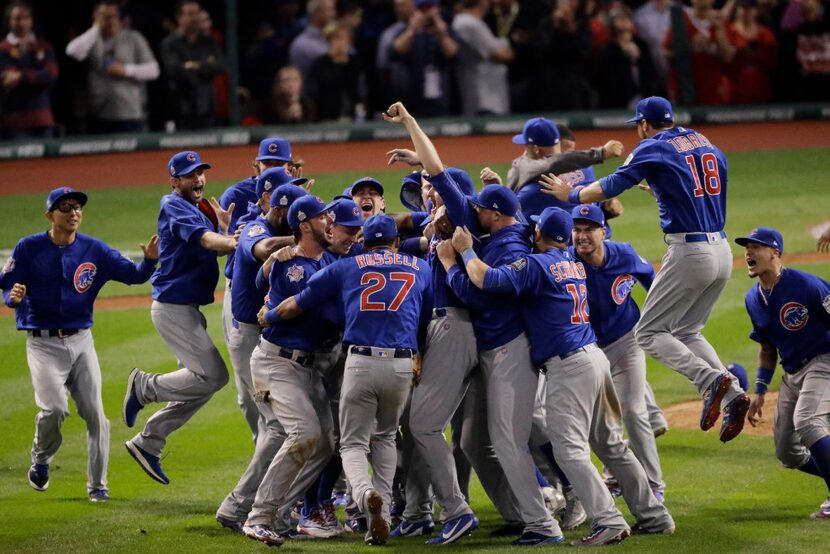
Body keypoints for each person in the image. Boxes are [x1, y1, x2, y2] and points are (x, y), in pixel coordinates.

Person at [440, 206, 676, 545]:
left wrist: (462, 250)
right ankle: (654, 516)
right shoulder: (573, 263)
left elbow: (484, 279)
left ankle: (608, 520)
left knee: (570, 451)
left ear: (538, 235)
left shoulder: (537, 265)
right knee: (612, 446)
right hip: (595, 359)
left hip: (569, 366)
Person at [541, 95, 750, 442]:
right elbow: (705, 190)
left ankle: (712, 381)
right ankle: (733, 394)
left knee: (649, 334)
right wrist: (664, 191)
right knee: (687, 331)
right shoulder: (704, 142)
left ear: (643, 124)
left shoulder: (653, 146)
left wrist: (572, 194)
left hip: (690, 252)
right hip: (723, 252)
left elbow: (611, 185)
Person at [276, 214, 431, 546]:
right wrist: (419, 353)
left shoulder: (348, 266)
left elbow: (299, 303)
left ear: (364, 241)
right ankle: (384, 513)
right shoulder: (420, 267)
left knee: (353, 444)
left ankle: (364, 496)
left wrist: (270, 315)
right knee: (387, 437)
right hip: (402, 364)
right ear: (394, 241)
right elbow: (424, 315)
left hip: (360, 362)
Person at [0, 187, 158, 502]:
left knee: (97, 417)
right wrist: (11, 298)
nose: (73, 212)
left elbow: (136, 275)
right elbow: (7, 286)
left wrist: (150, 262)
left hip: (81, 341)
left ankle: (98, 486)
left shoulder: (94, 250)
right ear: (49, 215)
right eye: (65, 207)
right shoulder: (29, 248)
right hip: (43, 344)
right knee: (55, 409)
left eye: (77, 207)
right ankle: (41, 459)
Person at [122, 150, 237, 485]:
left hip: (187, 308)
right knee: (215, 376)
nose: (198, 179)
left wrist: (225, 230)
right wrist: (229, 240)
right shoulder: (172, 204)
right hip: (173, 307)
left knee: (199, 387)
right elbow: (205, 239)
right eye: (189, 175)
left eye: (200, 173)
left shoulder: (200, 208)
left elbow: (209, 244)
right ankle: (144, 386)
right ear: (174, 181)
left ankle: (149, 443)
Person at [240, 195, 337, 546]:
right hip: (278, 362)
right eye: (323, 216)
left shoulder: (323, 260)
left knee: (326, 442)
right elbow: (312, 310)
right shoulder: (293, 265)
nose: (330, 221)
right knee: (305, 434)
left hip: (306, 367)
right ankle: (259, 517)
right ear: (304, 224)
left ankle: (278, 513)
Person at [214, 182, 309, 536]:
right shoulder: (257, 226)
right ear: (283, 213)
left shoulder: (283, 232)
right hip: (253, 340)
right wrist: (298, 240)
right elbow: (263, 247)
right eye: (298, 219)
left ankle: (245, 505)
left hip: (265, 337)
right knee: (277, 428)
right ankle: (246, 506)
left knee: (276, 429)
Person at [570, 204, 666, 500]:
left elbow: (654, 281)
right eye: (577, 229)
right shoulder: (566, 261)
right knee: (596, 421)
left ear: (603, 231)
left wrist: (660, 317)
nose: (582, 236)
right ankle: (614, 477)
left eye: (588, 229)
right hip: (587, 350)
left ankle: (654, 485)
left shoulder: (623, 254)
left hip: (627, 341)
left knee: (634, 411)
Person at [736, 227, 830, 520]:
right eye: (747, 248)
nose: (749, 253)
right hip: (791, 373)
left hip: (823, 361)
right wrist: (760, 392)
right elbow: (767, 348)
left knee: (808, 420)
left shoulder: (807, 285)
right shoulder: (753, 299)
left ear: (775, 252)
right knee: (788, 452)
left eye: (756, 247)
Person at [65, 0, 160, 133]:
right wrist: (95, 28)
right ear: (95, 17)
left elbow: (154, 70)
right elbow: (72, 51)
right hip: (99, 113)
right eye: (104, 17)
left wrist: (126, 70)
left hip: (130, 113)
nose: (108, 21)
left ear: (119, 17)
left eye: (112, 16)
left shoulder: (133, 37)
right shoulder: (91, 39)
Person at [377, 0, 458, 117]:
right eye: (422, 9)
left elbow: (453, 54)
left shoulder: (444, 30)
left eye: (429, 9)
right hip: (411, 100)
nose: (426, 13)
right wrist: (412, 30)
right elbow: (394, 52)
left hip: (440, 99)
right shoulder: (405, 30)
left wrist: (442, 34)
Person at [159, 1, 226, 130]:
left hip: (207, 106)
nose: (195, 18)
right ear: (179, 17)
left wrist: (192, 65)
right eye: (190, 14)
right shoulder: (170, 43)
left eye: (197, 13)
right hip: (181, 109)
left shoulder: (208, 41)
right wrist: (205, 65)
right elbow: (174, 70)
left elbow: (220, 65)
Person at [0, 1, 58, 139]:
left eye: (26, 18)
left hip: (42, 119)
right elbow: (7, 78)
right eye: (17, 18)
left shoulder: (44, 47)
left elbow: (50, 74)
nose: (22, 23)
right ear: (9, 21)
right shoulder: (2, 49)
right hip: (14, 122)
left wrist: (20, 77)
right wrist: (36, 76)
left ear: (31, 21)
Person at [452, 0, 513, 115]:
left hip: (490, 91)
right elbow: (499, 54)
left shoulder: (475, 22)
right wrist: (507, 48)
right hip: (484, 96)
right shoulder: (467, 23)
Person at [306, 21, 363, 122]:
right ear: (329, 40)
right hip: (327, 116)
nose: (341, 42)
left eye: (344, 38)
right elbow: (328, 84)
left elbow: (356, 86)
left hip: (351, 115)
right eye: (336, 38)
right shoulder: (321, 63)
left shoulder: (354, 62)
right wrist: (337, 61)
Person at [288, 0, 337, 82]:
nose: (334, 14)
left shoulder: (339, 38)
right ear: (316, 13)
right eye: (329, 10)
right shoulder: (301, 45)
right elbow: (300, 83)